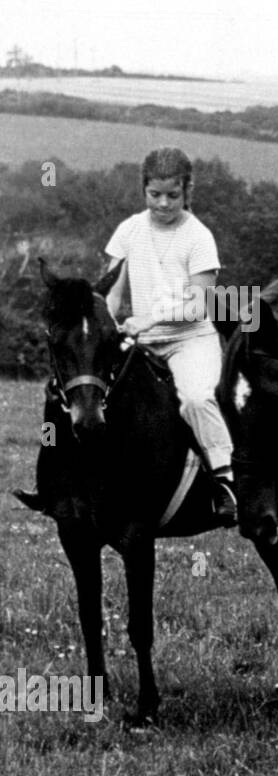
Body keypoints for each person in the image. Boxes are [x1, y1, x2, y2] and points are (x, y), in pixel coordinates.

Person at [19, 147, 237, 525]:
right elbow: (111, 295)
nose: (164, 203)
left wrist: (149, 319)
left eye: (173, 195)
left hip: (190, 340)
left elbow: (203, 304)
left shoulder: (199, 237)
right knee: (71, 389)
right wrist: (109, 324)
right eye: (155, 195)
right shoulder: (129, 230)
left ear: (187, 192)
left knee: (198, 399)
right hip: (140, 336)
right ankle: (56, 482)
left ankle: (225, 480)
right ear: (144, 191)